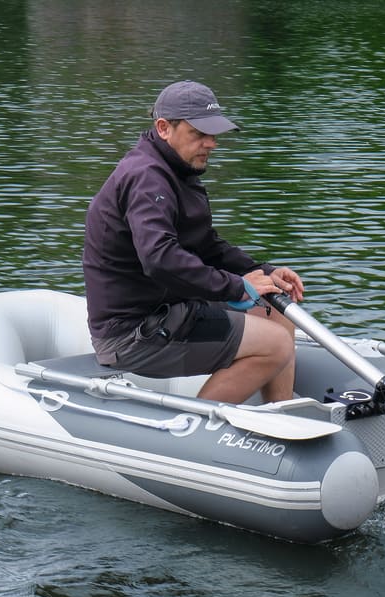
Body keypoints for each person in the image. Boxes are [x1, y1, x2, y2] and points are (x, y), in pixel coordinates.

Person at [83, 80, 305, 405]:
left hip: (172, 309)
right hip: (133, 332)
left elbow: (207, 246)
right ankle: (200, 424)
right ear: (164, 128)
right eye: (199, 134)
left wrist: (265, 272)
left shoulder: (178, 171)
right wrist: (237, 287)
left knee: (277, 311)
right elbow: (160, 259)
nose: (211, 143)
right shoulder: (146, 178)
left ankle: (281, 417)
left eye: (214, 134)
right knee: (276, 344)